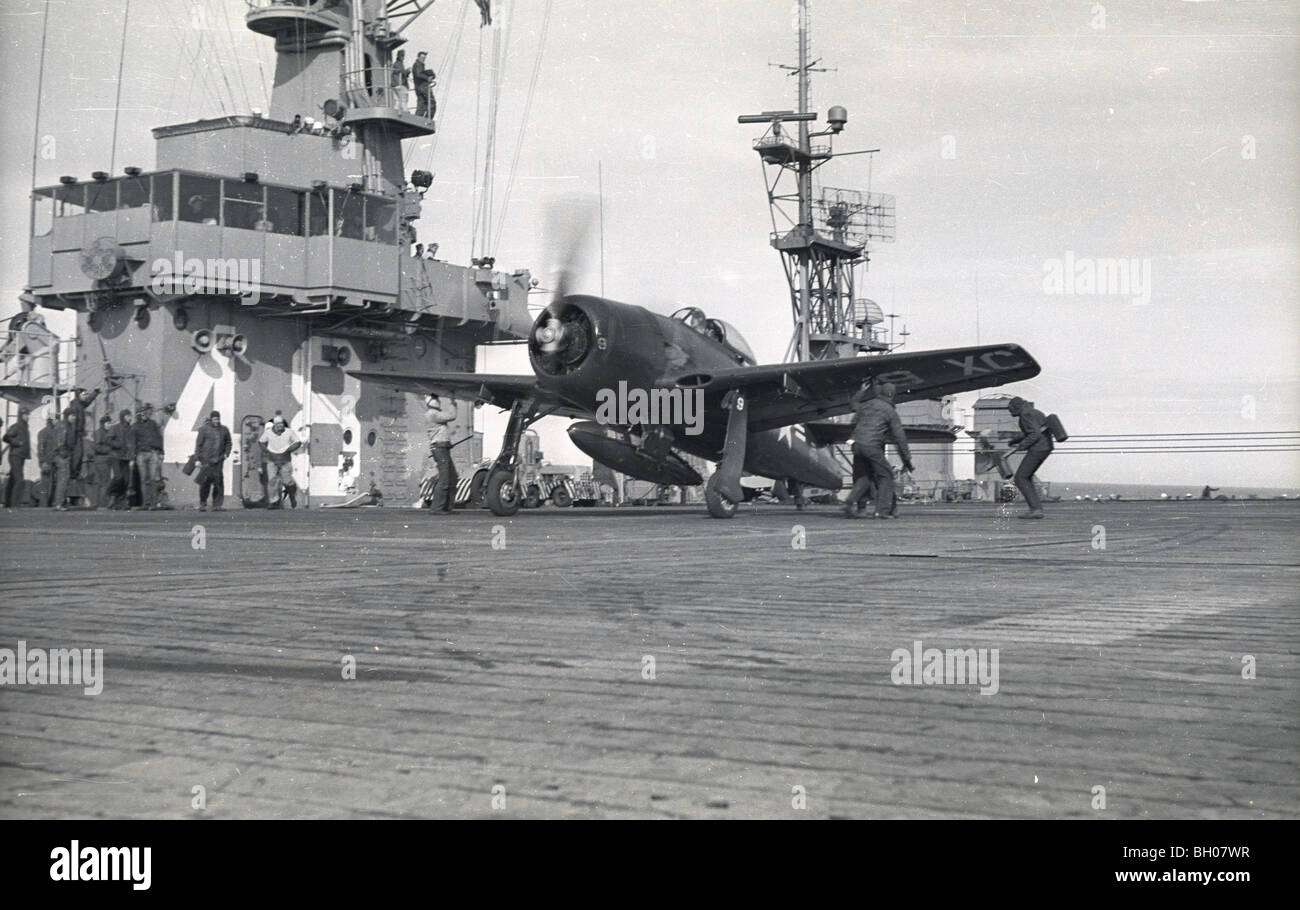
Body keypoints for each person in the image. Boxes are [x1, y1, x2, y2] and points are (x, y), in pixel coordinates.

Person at [842, 381, 913, 520]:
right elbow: (900, 438)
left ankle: (849, 502)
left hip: (856, 445)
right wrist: (907, 460)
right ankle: (882, 511)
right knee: (886, 476)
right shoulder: (890, 411)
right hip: (872, 446)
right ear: (892, 395)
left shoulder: (866, 405)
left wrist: (861, 391)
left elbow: (853, 405)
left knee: (865, 477)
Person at [1006, 396, 1053, 519]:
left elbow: (1034, 434)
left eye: (1010, 409)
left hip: (1038, 448)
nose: (1010, 412)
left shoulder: (1025, 414)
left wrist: (1020, 446)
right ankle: (1036, 508)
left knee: (1020, 478)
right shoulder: (1035, 412)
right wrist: (1015, 440)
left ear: (1016, 407)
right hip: (1045, 447)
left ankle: (1036, 509)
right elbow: (1036, 430)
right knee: (1026, 476)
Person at [259, 413, 302, 509]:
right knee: (272, 480)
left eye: (281, 424)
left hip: (285, 459)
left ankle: (292, 496)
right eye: (278, 424)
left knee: (288, 481)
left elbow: (298, 442)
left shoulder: (289, 432)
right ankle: (273, 501)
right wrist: (266, 451)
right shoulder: (268, 433)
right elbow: (261, 442)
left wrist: (289, 449)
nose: (280, 426)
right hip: (272, 460)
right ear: (274, 425)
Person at [193, 410, 232, 511]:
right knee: (204, 483)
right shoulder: (203, 429)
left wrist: (226, 454)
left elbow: (228, 442)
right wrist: (197, 459)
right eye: (215, 419)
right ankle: (203, 503)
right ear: (211, 419)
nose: (217, 421)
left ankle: (217, 505)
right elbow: (198, 445)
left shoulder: (224, 430)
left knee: (218, 483)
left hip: (218, 461)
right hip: (206, 461)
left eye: (218, 419)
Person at [426, 394, 458, 512]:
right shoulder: (432, 414)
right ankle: (437, 508)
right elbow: (452, 415)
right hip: (440, 448)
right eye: (436, 399)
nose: (438, 400)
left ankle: (446, 507)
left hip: (442, 447)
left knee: (452, 477)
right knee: (445, 478)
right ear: (430, 402)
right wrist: (453, 401)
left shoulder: (433, 414)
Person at [131, 403, 165, 510]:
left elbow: (159, 438)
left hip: (152, 453)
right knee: (144, 479)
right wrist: (132, 458)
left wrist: (161, 453)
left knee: (153, 479)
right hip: (140, 454)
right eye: (142, 413)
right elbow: (132, 443)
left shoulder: (153, 424)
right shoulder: (135, 426)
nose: (144, 414)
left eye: (145, 412)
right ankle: (146, 503)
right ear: (138, 414)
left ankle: (153, 504)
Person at [64, 387, 100, 480]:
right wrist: (73, 436)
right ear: (78, 395)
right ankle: (73, 475)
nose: (85, 396)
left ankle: (74, 474)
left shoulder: (79, 403)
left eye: (85, 395)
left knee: (79, 454)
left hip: (78, 433)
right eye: (83, 395)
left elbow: (87, 401)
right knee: (77, 454)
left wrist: (95, 393)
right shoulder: (75, 405)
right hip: (75, 434)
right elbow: (73, 422)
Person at [105, 408, 134, 509]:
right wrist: (118, 444)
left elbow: (133, 443)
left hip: (126, 457)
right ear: (123, 417)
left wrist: (132, 456)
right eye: (128, 416)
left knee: (126, 480)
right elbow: (108, 440)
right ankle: (111, 494)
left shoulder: (131, 429)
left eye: (130, 416)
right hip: (115, 456)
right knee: (119, 477)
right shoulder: (115, 427)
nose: (130, 418)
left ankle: (120, 500)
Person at [3, 407, 31, 508]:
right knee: (19, 480)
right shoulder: (17, 426)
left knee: (13, 479)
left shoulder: (24, 426)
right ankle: (14, 505)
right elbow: (6, 437)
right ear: (21, 415)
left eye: (28, 414)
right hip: (15, 455)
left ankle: (8, 503)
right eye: (26, 414)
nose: (28, 416)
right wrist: (17, 443)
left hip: (20, 455)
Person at [51, 410, 79, 510]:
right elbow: (60, 443)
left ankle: (61, 502)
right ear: (67, 416)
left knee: (64, 479)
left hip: (64, 455)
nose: (74, 417)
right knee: (63, 480)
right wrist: (64, 455)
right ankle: (59, 503)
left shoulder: (68, 426)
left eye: (74, 415)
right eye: (72, 415)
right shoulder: (64, 426)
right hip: (62, 456)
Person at [90, 415, 115, 508]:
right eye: (108, 423)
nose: (109, 425)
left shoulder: (106, 432)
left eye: (110, 423)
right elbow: (97, 447)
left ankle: (98, 503)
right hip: (101, 459)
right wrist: (109, 450)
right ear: (103, 424)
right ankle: (103, 503)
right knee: (105, 482)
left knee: (101, 482)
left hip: (104, 460)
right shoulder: (99, 433)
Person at [36, 416, 56, 507]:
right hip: (48, 462)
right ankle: (44, 506)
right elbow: (41, 448)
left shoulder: (50, 432)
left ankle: (45, 505)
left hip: (50, 461)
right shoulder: (45, 432)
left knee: (49, 485)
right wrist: (43, 461)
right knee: (46, 485)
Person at [412, 51, 436, 118]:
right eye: (422, 57)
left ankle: (417, 119)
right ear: (418, 57)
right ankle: (427, 119)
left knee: (421, 104)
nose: (423, 59)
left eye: (424, 58)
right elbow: (418, 74)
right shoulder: (418, 64)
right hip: (423, 87)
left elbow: (419, 73)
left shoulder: (418, 65)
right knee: (432, 103)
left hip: (419, 88)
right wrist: (427, 78)